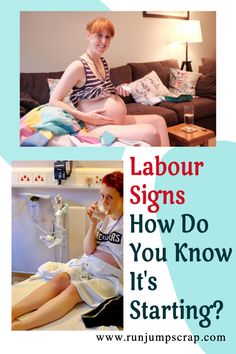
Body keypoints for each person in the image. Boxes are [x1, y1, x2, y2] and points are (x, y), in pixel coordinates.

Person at [12, 171, 124, 330]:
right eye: (101, 196)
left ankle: (21, 325)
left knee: (73, 290)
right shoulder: (104, 217)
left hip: (108, 277)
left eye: (110, 197)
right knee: (60, 278)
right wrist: (93, 223)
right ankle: (12, 311)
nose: (103, 202)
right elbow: (87, 249)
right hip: (87, 266)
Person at [49, 17, 169, 146]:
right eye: (99, 35)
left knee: (159, 121)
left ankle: (165, 164)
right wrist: (85, 117)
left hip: (112, 122)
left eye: (108, 37)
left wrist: (117, 90)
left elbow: (100, 92)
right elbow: (54, 101)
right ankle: (154, 165)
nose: (103, 41)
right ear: (88, 35)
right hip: (93, 127)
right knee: (150, 132)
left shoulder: (104, 62)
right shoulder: (78, 66)